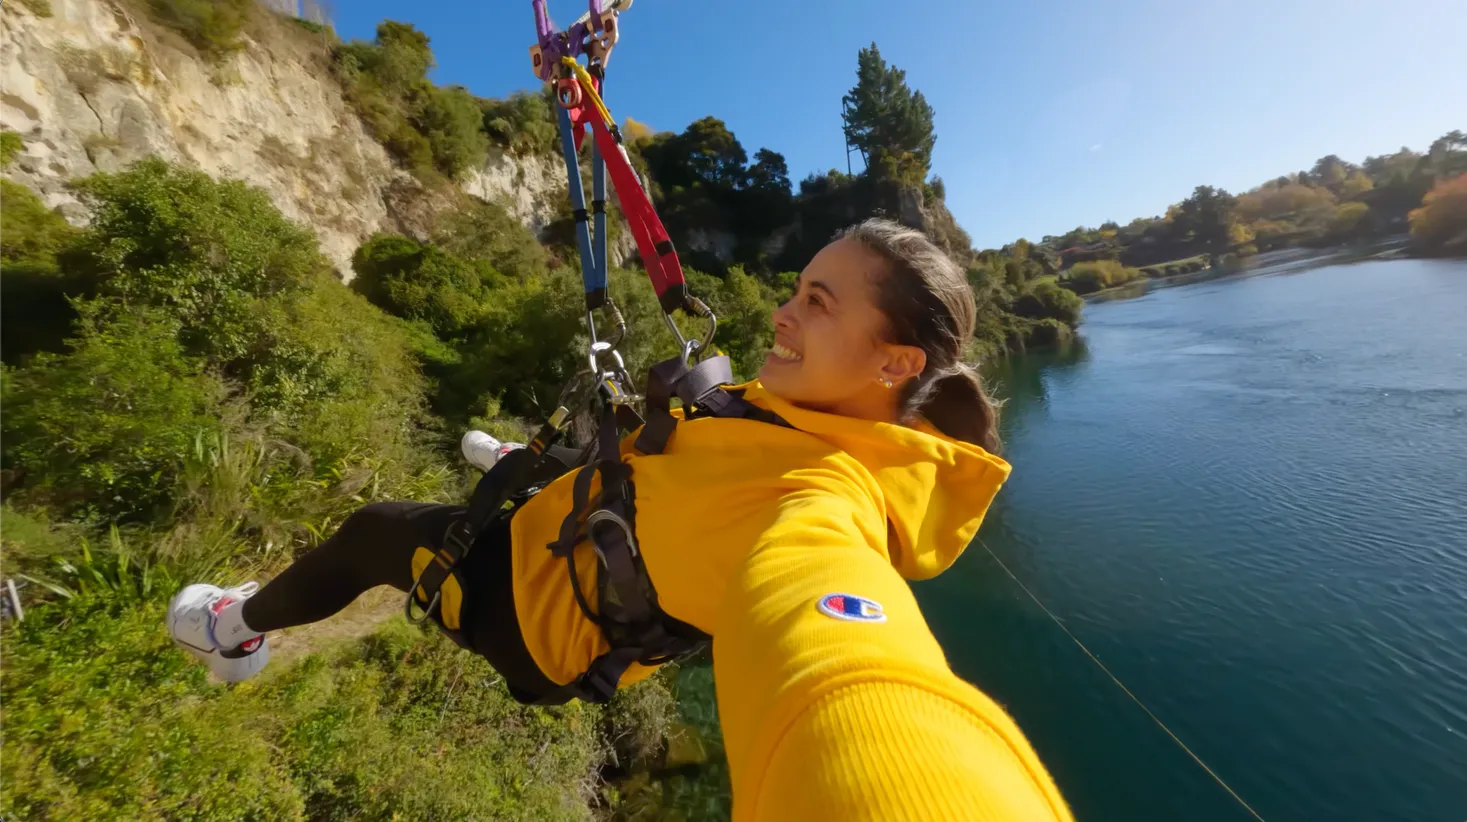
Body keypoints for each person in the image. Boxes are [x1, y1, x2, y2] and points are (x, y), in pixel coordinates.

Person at [167, 218, 1073, 821]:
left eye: (816, 304)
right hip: (587, 521)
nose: (782, 312)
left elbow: (847, 659)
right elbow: (686, 452)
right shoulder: (799, 406)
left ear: (891, 364)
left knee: (374, 531)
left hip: (537, 615)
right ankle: (512, 466)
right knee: (566, 449)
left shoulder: (823, 506)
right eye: (797, 289)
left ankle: (230, 634)